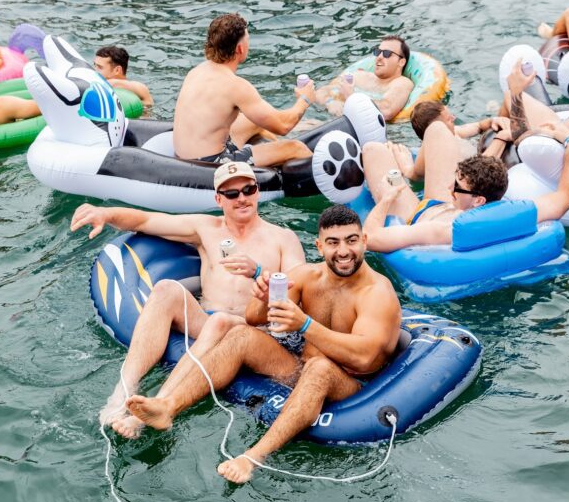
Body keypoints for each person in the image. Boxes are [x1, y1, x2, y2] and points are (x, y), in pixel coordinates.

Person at [124, 204, 401, 484]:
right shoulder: (308, 276)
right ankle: (168, 406)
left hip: (351, 383)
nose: (343, 251)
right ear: (319, 246)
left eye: (351, 240)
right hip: (299, 367)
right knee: (241, 336)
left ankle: (253, 456)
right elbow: (254, 318)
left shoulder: (377, 293)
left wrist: (305, 324)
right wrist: (263, 295)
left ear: (364, 240)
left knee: (319, 368)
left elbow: (364, 357)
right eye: (333, 243)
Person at [70, 161, 306, 439]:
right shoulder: (206, 228)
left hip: (255, 332)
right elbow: (146, 221)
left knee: (219, 322)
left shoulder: (283, 239)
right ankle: (122, 392)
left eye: (248, 189)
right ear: (219, 199)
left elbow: (297, 291)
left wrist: (258, 273)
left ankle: (160, 405)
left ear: (257, 192)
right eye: (231, 194)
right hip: (207, 319)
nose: (241, 198)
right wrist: (105, 213)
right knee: (166, 289)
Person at [360, 63, 569, 252]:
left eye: (456, 184)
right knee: (436, 129)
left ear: (479, 200)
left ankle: (409, 172)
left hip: (418, 215)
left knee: (372, 150)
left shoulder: (444, 230)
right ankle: (412, 171)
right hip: (447, 205)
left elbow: (370, 237)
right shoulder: (518, 213)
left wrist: (388, 197)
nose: (449, 186)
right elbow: (567, 196)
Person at [172, 13, 314, 167]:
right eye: (248, 40)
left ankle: (275, 156)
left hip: (183, 158)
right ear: (239, 48)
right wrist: (304, 100)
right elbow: (283, 126)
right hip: (211, 165)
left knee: (253, 121)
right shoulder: (236, 86)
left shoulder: (196, 71)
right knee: (297, 148)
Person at [389, 100, 513, 182]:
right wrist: (500, 138)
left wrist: (492, 121)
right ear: (437, 129)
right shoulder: (436, 153)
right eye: (449, 119)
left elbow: (478, 126)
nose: (454, 118)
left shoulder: (454, 133)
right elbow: (479, 168)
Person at [314, 35, 414, 121]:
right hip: (332, 119)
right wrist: (330, 102)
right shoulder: (360, 76)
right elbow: (322, 91)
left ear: (401, 62)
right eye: (378, 52)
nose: (379, 57)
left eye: (387, 53)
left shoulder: (401, 83)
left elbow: (387, 111)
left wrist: (352, 97)